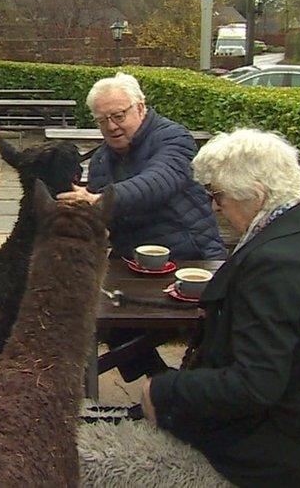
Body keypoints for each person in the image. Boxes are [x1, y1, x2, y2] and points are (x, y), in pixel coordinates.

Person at [133, 128, 300, 486]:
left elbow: (254, 387)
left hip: (299, 450)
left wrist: (164, 390)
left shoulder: (273, 264)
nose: (214, 207)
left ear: (256, 195)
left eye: (217, 195)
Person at [58, 72, 227, 383]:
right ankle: (160, 382)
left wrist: (98, 201)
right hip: (133, 267)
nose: (111, 126)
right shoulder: (100, 163)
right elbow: (101, 221)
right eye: (102, 120)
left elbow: (159, 182)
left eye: (118, 115)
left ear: (140, 107)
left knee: (211, 330)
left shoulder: (174, 138)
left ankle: (185, 387)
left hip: (192, 259)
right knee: (98, 310)